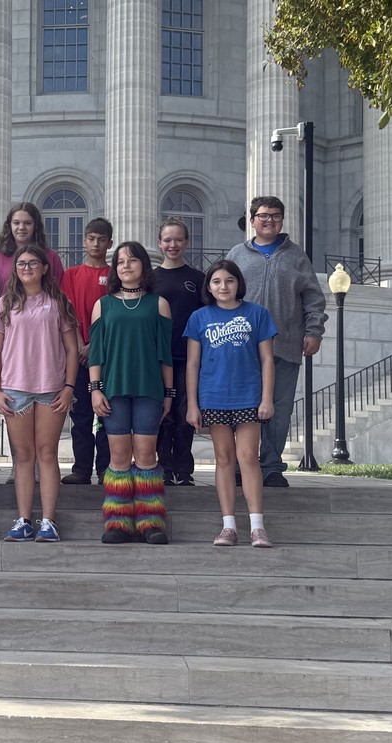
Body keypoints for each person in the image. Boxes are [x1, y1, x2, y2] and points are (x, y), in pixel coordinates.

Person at [227, 196, 327, 487]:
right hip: (240, 347)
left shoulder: (297, 256)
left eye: (275, 215)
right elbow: (220, 294)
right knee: (240, 406)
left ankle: (271, 466)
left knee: (279, 408)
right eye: (262, 215)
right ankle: (237, 466)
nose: (268, 220)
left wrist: (314, 331)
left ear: (282, 221)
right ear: (252, 220)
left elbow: (313, 298)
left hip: (285, 345)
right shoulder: (237, 254)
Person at [0, 245, 78, 543]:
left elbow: (71, 350)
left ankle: (49, 521)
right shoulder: (4, 304)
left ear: (44, 268)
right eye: (21, 264)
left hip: (51, 390)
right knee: (24, 457)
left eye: (32, 263)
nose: (26, 268)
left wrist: (69, 387)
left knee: (47, 454)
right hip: (15, 390)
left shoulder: (58, 303)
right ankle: (24, 520)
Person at [185, 259, 277, 548]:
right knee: (224, 459)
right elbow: (192, 364)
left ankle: (257, 527)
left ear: (239, 283)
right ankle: (228, 527)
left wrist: (266, 398)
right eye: (216, 282)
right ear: (208, 287)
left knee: (248, 457)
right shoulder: (199, 317)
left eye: (229, 281)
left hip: (248, 396)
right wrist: (192, 404)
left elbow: (267, 360)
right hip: (213, 396)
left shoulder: (257, 314)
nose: (223, 286)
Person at [89, 242, 174, 546]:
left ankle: (150, 522)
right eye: (120, 261)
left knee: (147, 455)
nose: (126, 266)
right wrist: (95, 390)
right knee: (119, 456)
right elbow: (96, 354)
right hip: (113, 389)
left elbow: (165, 354)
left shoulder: (158, 304)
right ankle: (118, 522)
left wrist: (168, 394)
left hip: (149, 389)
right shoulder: (104, 305)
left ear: (143, 266)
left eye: (132, 260)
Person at [60, 217, 113, 485]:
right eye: (91, 238)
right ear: (84, 241)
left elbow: (114, 315)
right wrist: (79, 344)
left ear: (109, 243)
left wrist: (94, 344)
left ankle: (106, 468)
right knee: (80, 415)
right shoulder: (70, 275)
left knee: (105, 415)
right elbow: (66, 313)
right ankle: (81, 468)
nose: (96, 244)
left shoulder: (114, 275)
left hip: (107, 356)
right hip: (76, 354)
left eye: (101, 239)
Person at [154, 217, 205, 486]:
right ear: (159, 243)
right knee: (164, 414)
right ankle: (163, 465)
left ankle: (184, 470)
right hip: (159, 359)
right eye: (167, 240)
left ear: (186, 242)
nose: (173, 245)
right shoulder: (150, 279)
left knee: (186, 414)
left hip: (189, 359)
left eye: (178, 239)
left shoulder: (198, 279)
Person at [0, 202, 65, 294]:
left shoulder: (51, 257)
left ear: (35, 226)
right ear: (9, 226)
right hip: (6, 307)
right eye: (16, 223)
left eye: (27, 223)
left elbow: (59, 291)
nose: (21, 227)